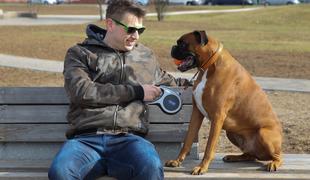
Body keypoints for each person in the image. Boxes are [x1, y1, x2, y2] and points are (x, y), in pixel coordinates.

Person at [48, 0, 189, 179]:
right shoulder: (81, 53)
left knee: (151, 167)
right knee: (60, 172)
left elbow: (171, 81)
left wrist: (205, 80)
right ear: (110, 24)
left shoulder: (146, 57)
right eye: (130, 29)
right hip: (85, 141)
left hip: (130, 141)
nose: (136, 36)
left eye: (140, 30)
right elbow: (82, 92)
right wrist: (136, 92)